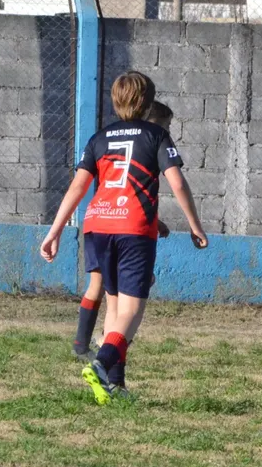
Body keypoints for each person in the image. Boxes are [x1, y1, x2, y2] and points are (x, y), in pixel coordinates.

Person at [41, 72, 208, 404]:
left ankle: (116, 385)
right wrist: (195, 224)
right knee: (132, 311)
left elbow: (79, 186)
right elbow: (176, 183)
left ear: (114, 101)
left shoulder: (99, 138)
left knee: (115, 307)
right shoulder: (156, 135)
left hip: (98, 226)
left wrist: (55, 230)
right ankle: (101, 365)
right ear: (148, 103)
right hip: (133, 230)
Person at [72, 100, 175, 361]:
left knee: (104, 287)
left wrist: (156, 221)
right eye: (166, 125)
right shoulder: (149, 140)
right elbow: (133, 192)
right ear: (152, 121)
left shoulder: (108, 139)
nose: (169, 130)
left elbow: (121, 187)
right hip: (123, 225)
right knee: (116, 290)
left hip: (99, 219)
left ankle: (92, 344)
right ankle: (96, 346)